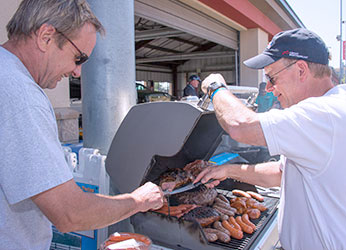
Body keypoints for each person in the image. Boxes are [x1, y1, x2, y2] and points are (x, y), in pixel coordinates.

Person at [0, 1, 164, 249]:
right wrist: (138, 200)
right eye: (79, 58)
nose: (77, 72)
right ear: (46, 37)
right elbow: (69, 213)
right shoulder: (21, 95)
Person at [194, 28, 346, 249]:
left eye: (272, 77)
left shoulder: (324, 114)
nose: (271, 89)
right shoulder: (330, 110)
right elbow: (281, 173)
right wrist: (228, 170)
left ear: (301, 70)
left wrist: (217, 88)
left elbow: (240, 127)